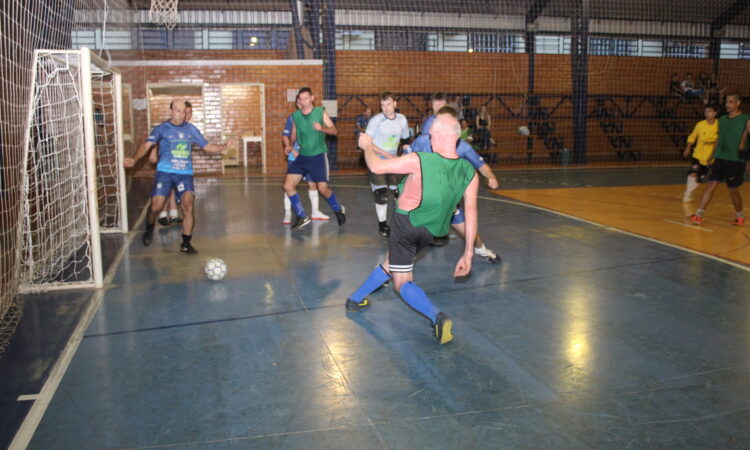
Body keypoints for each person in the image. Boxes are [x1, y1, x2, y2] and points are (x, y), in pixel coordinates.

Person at [349, 110, 479, 344]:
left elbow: (377, 167)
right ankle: (355, 299)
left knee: (402, 282)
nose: (429, 139)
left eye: (431, 134)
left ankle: (437, 317)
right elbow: (470, 212)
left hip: (406, 224)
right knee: (392, 263)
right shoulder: (469, 172)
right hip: (430, 232)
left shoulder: (421, 160)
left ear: (438, 136)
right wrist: (468, 252)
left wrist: (367, 145)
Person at [124, 100, 234, 253]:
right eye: (177, 111)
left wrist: (224, 146)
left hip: (184, 174)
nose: (181, 114)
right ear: (170, 111)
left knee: (188, 206)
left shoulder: (191, 129)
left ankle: (186, 243)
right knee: (156, 206)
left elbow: (207, 146)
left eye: (183, 111)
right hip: (165, 173)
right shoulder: (161, 129)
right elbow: (146, 145)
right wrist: (135, 159)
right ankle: (149, 228)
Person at [410, 104, 500, 263]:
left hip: (449, 203)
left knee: (468, 233)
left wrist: (491, 176)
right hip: (425, 200)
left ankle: (482, 251)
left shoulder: (462, 147)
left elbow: (481, 164)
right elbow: (409, 161)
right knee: (413, 236)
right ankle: (391, 268)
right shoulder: (423, 141)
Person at [283, 87, 345, 230]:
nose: (304, 101)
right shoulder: (296, 116)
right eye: (301, 99)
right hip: (303, 156)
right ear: (298, 101)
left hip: (318, 156)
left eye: (306, 98)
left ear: (312, 98)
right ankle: (302, 215)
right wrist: (290, 146)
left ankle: (337, 209)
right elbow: (293, 134)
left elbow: (334, 130)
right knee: (288, 185)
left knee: (323, 189)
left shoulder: (320, 112)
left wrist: (322, 128)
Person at [690, 94, 748, 226]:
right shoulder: (722, 120)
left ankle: (739, 215)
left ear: (738, 103)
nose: (728, 104)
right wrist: (711, 155)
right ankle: (699, 215)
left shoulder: (746, 119)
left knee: (733, 190)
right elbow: (718, 139)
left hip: (735, 160)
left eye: (731, 102)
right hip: (720, 159)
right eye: (727, 102)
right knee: (710, 186)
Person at [364, 92, 410, 238]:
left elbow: (405, 140)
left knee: (398, 193)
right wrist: (386, 155)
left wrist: (406, 155)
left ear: (395, 104)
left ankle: (399, 223)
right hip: (376, 160)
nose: (386, 108)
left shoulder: (402, 119)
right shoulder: (376, 120)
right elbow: (367, 142)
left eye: (389, 104)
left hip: (394, 161)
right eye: (383, 105)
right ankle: (382, 226)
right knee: (381, 194)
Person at [282, 96, 329, 224]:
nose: (301, 104)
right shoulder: (292, 118)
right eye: (298, 102)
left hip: (310, 156)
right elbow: (285, 136)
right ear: (297, 104)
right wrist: (290, 147)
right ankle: (288, 213)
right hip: (295, 157)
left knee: (313, 183)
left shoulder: (313, 116)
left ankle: (315, 211)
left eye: (303, 101)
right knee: (290, 185)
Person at [150, 101, 193, 227]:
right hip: (166, 163)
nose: (188, 115)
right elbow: (157, 138)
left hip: (178, 163)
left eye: (190, 112)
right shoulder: (168, 125)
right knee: (166, 189)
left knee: (173, 190)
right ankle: (162, 216)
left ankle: (173, 215)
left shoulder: (187, 127)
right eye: (186, 112)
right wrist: (153, 151)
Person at [682, 104, 718, 203]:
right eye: (705, 112)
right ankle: (687, 193)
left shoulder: (719, 125)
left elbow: (719, 142)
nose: (707, 114)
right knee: (693, 172)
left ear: (715, 113)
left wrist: (712, 156)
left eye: (709, 111)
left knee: (699, 178)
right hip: (698, 155)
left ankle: (691, 189)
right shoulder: (700, 125)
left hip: (710, 157)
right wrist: (688, 148)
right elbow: (693, 136)